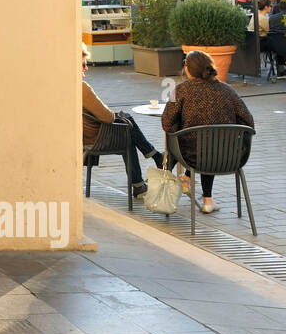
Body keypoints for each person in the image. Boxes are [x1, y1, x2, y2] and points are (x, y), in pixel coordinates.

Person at [162, 50, 255, 215]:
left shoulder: (180, 90)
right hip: (230, 158)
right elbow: (248, 121)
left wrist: (183, 129)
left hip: (191, 156)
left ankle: (171, 181)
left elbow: (167, 123)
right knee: (211, 142)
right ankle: (208, 201)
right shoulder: (228, 90)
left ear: (188, 68)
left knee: (188, 141)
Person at [81, 43, 162, 197]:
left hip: (85, 135)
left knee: (127, 132)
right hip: (95, 137)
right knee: (127, 126)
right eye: (84, 64)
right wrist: (117, 116)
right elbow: (107, 117)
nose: (86, 68)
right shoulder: (82, 88)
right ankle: (154, 157)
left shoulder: (66, 87)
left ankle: (140, 183)